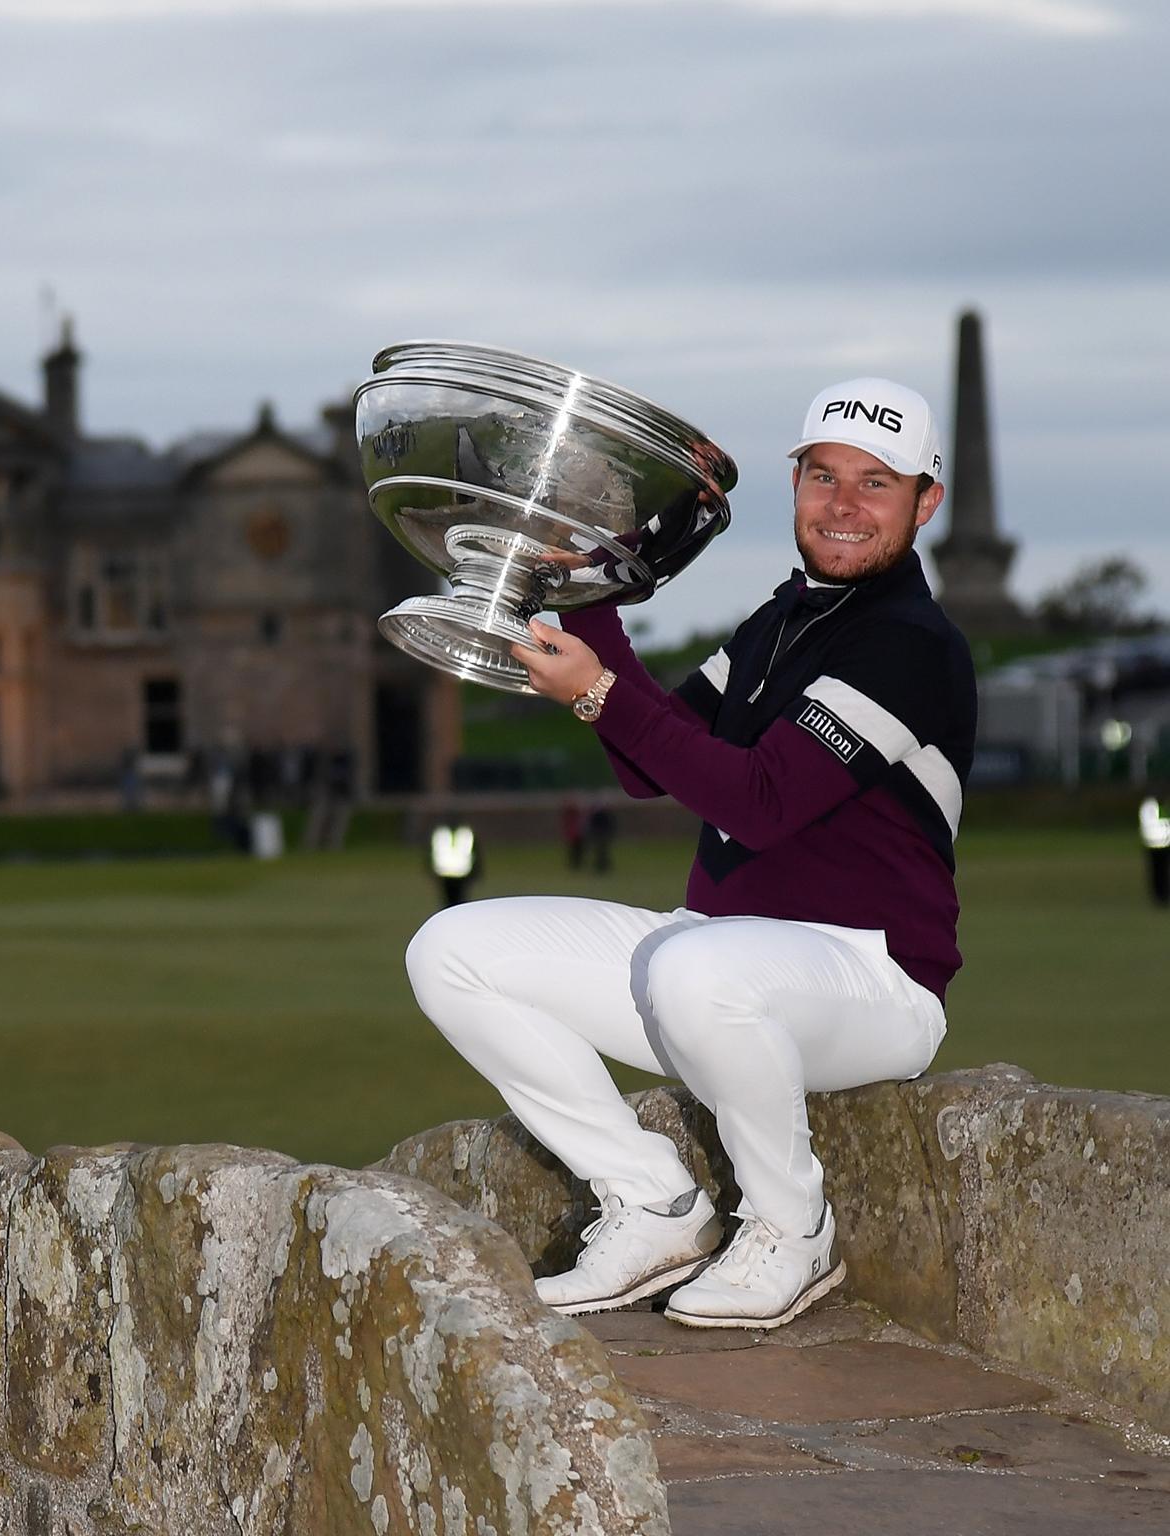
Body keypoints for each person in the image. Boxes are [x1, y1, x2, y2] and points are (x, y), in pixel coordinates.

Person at [405, 377, 974, 1330]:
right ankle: (654, 1204)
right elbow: (651, 756)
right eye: (823, 476)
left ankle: (794, 1229)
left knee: (697, 966)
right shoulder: (783, 618)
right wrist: (590, 597)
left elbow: (758, 805)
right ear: (795, 485)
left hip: (872, 982)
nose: (842, 505)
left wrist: (596, 696)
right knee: (449, 949)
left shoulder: (910, 642)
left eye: (877, 484)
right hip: (714, 957)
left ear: (925, 504)